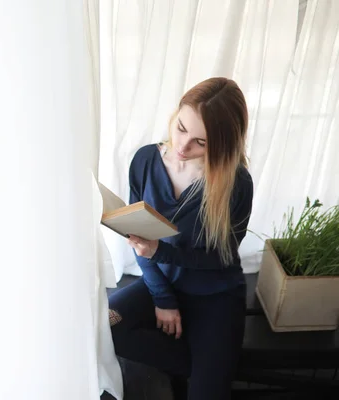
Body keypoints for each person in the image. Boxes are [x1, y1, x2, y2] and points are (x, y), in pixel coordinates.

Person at [108, 77, 253, 400]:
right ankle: (207, 367)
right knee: (105, 326)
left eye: (201, 142)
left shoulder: (237, 184)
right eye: (182, 128)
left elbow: (221, 259)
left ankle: (208, 371)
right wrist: (163, 299)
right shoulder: (145, 161)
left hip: (215, 294)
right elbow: (137, 236)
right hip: (160, 285)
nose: (183, 146)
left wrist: (161, 251)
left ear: (223, 144)